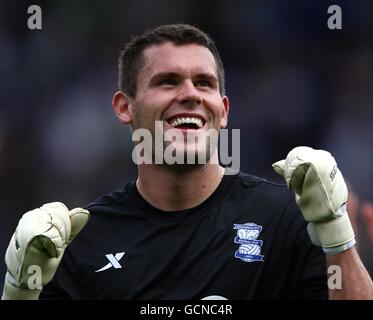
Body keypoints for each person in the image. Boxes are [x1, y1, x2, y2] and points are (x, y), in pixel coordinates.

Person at [2, 24, 373, 300]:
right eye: (168, 81)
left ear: (223, 111)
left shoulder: (287, 221)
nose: (191, 94)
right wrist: (19, 293)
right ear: (124, 107)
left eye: (205, 83)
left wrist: (335, 232)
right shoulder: (80, 242)